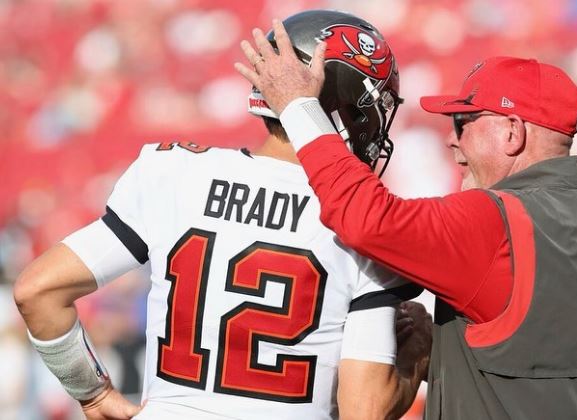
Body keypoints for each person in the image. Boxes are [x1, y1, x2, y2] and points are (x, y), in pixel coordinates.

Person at [13, 10, 430, 420]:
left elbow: (38, 290)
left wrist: (92, 393)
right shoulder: (363, 217)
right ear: (345, 107)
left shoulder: (172, 172)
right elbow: (365, 412)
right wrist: (417, 353)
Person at [236, 20, 577, 420]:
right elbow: (550, 357)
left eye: (463, 122)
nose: (452, 139)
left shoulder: (496, 220)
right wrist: (453, 343)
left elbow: (364, 219)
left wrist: (298, 107)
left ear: (512, 132)